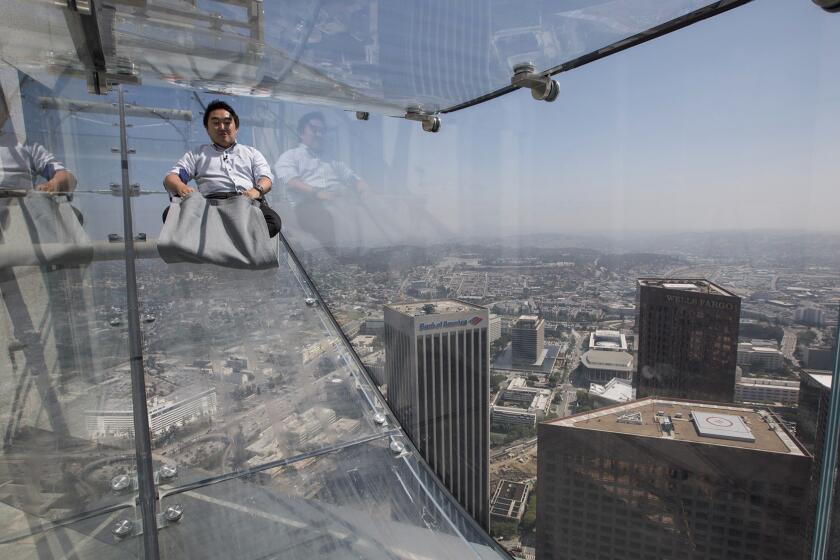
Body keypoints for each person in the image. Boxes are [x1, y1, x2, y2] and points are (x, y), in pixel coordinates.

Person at [163, 100, 281, 237]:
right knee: (171, 215)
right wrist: (181, 187)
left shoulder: (251, 153)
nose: (222, 127)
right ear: (207, 129)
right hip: (210, 205)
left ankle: (217, 240)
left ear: (236, 127)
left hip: (245, 201)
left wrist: (256, 190)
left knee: (273, 222)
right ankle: (235, 240)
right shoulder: (196, 154)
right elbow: (172, 177)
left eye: (227, 122)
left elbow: (266, 179)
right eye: (216, 123)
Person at [274, 112, 368, 248]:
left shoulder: (332, 160)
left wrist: (363, 187)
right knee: (326, 220)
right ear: (301, 133)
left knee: (371, 210)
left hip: (340, 203)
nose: (319, 135)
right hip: (308, 206)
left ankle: (375, 252)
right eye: (314, 130)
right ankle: (340, 257)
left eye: (322, 131)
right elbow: (290, 181)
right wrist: (317, 193)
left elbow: (352, 177)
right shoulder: (290, 156)